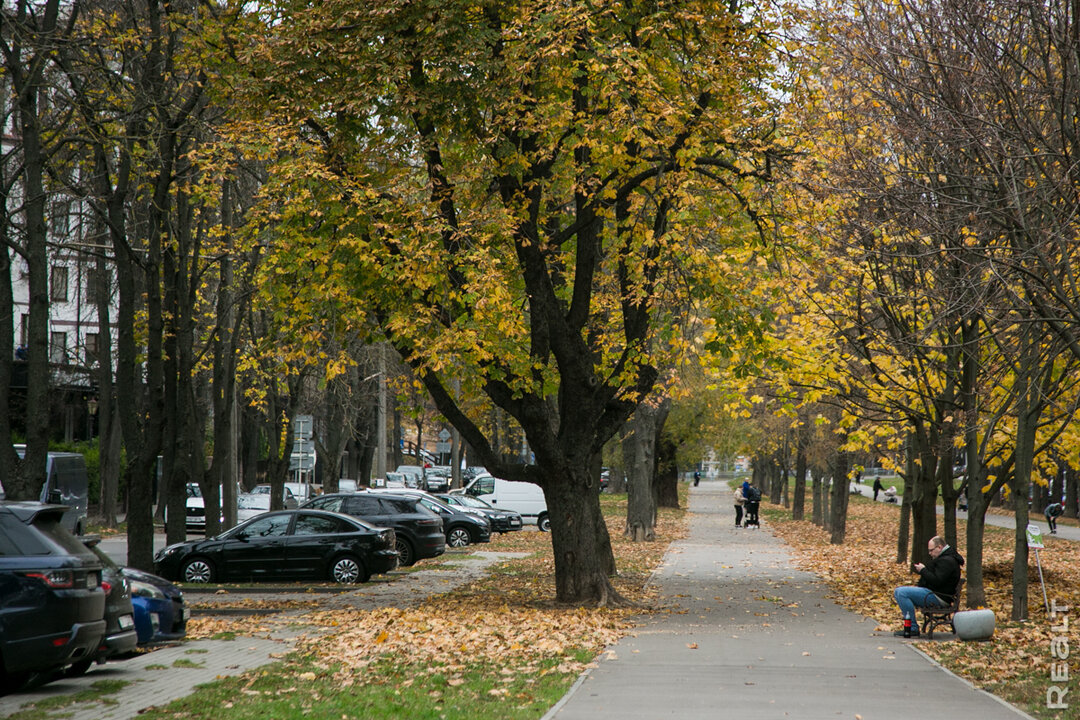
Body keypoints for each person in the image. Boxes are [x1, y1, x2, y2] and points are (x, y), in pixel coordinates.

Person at [892, 535, 964, 638]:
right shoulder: (948, 558)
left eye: (931, 550)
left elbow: (936, 581)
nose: (930, 553)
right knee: (901, 591)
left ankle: (912, 627)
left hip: (938, 597)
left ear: (939, 547)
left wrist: (923, 570)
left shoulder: (947, 561)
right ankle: (911, 626)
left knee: (900, 592)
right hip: (937, 594)